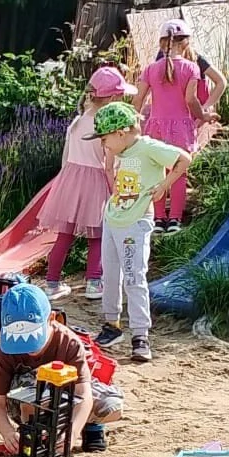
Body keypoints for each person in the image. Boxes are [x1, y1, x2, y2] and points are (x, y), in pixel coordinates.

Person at [88, 102, 191, 362]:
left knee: (134, 277)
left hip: (135, 223)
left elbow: (184, 158)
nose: (103, 144)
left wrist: (164, 185)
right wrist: (110, 161)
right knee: (110, 275)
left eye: (104, 139)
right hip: (113, 218)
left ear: (121, 133)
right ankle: (112, 325)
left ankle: (140, 335)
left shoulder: (148, 147)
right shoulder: (122, 151)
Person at [0, 283, 124, 454]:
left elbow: (84, 393)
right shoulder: (4, 352)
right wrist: (7, 432)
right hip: (25, 404)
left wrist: (73, 433)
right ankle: (34, 431)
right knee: (34, 395)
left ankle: (90, 426)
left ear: (51, 318)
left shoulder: (69, 343)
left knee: (111, 406)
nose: (28, 349)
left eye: (33, 340)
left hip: (65, 395)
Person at [38, 66, 133, 301]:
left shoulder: (78, 121)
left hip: (70, 180)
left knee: (64, 235)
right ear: (111, 98)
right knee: (97, 235)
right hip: (95, 181)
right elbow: (109, 163)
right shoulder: (106, 125)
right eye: (120, 96)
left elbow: (66, 156)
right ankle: (93, 282)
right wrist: (115, 188)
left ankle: (51, 283)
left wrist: (65, 180)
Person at [134, 22, 206, 233]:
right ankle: (174, 220)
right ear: (185, 43)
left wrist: (134, 123)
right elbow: (191, 100)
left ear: (161, 43)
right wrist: (203, 116)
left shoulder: (150, 69)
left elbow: (138, 99)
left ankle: (157, 220)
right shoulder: (191, 68)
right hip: (180, 129)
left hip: (155, 128)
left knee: (157, 172)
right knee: (178, 173)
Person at [154, 18, 228, 111]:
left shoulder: (196, 59)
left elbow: (221, 82)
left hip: (193, 113)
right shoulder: (162, 57)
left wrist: (206, 106)